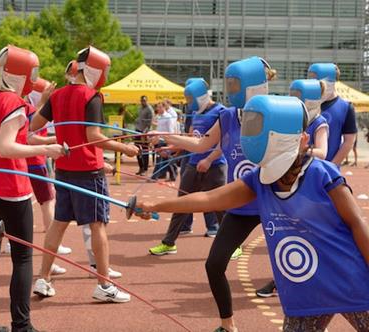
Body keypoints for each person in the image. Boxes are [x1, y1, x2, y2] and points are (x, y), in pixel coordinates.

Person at [136, 95, 369, 332]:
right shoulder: (259, 181)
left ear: (304, 139)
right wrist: (155, 206)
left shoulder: (323, 174)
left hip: (350, 280)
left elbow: (357, 223)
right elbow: (208, 199)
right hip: (306, 292)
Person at [150, 56, 276, 332]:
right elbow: (200, 144)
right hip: (240, 202)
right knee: (214, 264)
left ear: (253, 85)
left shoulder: (276, 113)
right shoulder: (228, 116)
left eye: (236, 83)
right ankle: (228, 325)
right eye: (229, 83)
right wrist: (168, 137)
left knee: (288, 269)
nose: (231, 88)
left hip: (275, 203)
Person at [29, 46, 139, 303]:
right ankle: (104, 285)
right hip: (89, 174)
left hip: (64, 171)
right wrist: (126, 148)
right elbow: (94, 137)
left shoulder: (57, 96)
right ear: (95, 69)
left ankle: (43, 278)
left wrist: (45, 104)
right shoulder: (92, 96)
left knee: (58, 224)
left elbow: (34, 126)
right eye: (105, 70)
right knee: (97, 226)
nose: (106, 75)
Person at [0, 45, 65, 332]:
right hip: (10, 187)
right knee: (23, 257)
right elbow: (6, 146)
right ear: (20, 74)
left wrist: (49, 145)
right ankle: (21, 326)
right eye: (31, 72)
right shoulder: (13, 103)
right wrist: (48, 148)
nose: (33, 78)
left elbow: (17, 137)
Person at [256, 78, 329, 298]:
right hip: (295, 179)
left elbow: (323, 152)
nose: (295, 100)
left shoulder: (319, 122)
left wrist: (294, 150)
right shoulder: (292, 119)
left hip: (314, 183)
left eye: (299, 96)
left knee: (312, 236)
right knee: (291, 233)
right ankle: (281, 280)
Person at [149, 78, 227, 256]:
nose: (188, 103)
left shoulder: (221, 112)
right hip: (193, 164)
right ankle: (169, 243)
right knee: (181, 203)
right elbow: (192, 140)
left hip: (215, 166)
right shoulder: (197, 113)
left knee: (220, 207)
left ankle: (233, 245)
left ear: (200, 96)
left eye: (190, 99)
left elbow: (225, 142)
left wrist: (208, 160)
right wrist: (168, 148)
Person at [25, 77, 71, 277]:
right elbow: (30, 137)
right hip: (33, 162)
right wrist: (57, 139)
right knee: (47, 202)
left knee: (36, 202)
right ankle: (53, 245)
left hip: (33, 161)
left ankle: (50, 244)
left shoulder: (32, 108)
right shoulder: (31, 110)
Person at [307, 63, 358, 165]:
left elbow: (349, 141)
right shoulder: (306, 103)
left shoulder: (346, 107)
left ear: (331, 82)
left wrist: (332, 166)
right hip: (302, 169)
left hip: (328, 170)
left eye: (317, 81)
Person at [151, 102, 178, 182]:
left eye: (159, 107)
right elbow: (159, 129)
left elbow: (170, 130)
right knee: (166, 159)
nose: (158, 109)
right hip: (159, 140)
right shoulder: (160, 117)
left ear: (164, 108)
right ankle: (173, 175)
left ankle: (154, 176)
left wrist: (170, 141)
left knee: (160, 158)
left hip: (165, 140)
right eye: (157, 107)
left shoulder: (168, 117)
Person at [135, 95, 154, 175]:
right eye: (142, 100)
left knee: (145, 150)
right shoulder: (140, 108)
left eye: (145, 100)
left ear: (147, 100)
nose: (143, 102)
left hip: (144, 132)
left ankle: (145, 169)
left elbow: (150, 122)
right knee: (137, 150)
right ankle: (141, 167)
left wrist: (145, 133)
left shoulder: (149, 109)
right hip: (137, 131)